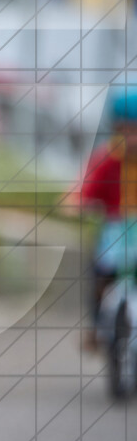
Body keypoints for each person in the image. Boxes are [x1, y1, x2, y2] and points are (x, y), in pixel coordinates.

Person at [76, 85, 137, 351]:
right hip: (114, 233)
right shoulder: (105, 159)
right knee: (99, 277)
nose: (130, 138)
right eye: (124, 130)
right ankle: (97, 326)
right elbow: (83, 191)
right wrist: (78, 205)